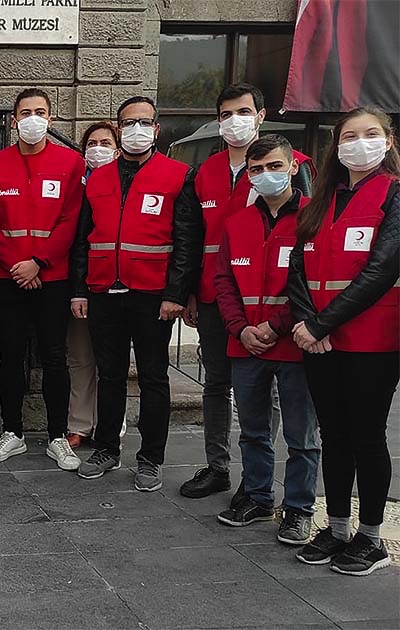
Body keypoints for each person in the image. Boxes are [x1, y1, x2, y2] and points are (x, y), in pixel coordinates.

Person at [181, 83, 315, 500]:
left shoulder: (297, 165)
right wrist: (186, 292)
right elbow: (190, 235)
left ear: (260, 114)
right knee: (216, 384)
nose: (233, 121)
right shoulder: (206, 170)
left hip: (280, 307)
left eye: (242, 111)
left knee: (272, 394)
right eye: (225, 114)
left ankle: (263, 481)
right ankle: (218, 466)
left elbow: (307, 240)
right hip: (219, 297)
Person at [286, 107, 399, 577]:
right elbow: (297, 267)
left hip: (372, 341)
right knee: (332, 435)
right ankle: (335, 527)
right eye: (349, 136)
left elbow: (382, 268)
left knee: (366, 436)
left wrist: (321, 324)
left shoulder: (394, 195)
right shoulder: (321, 199)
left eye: (370, 134)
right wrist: (307, 322)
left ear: (388, 141)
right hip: (320, 342)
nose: (359, 143)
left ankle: (371, 538)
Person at [70, 96, 202, 491]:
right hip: (103, 292)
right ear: (118, 127)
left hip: (152, 295)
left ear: (157, 129)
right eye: (128, 123)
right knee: (109, 375)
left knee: (153, 378)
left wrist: (175, 294)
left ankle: (151, 458)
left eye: (144, 122)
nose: (136, 130)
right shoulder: (98, 177)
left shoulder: (179, 175)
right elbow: (83, 241)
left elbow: (186, 240)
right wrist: (79, 291)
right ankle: (107, 448)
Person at [211, 135, 319, 545]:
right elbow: (224, 281)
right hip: (246, 344)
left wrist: (275, 326)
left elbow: (308, 283)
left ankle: (298, 509)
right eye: (256, 170)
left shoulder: (313, 218)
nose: (265, 175)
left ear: (293, 167)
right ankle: (257, 496)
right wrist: (240, 328)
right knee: (253, 430)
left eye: (274, 166)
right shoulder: (237, 223)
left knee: (301, 434)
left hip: (292, 342)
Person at [0, 88, 86, 472]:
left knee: (55, 357)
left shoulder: (71, 163)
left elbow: (70, 220)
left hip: (52, 277)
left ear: (51, 120)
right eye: (26, 112)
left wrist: (39, 261)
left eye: (40, 111)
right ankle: (13, 433)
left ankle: (58, 435)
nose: (33, 118)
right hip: (10, 279)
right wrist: (17, 266)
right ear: (15, 120)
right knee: (10, 357)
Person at [66, 121, 121, 448]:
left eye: (105, 142)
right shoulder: (77, 184)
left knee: (112, 362)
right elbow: (77, 242)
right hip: (80, 286)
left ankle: (112, 425)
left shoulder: (123, 184)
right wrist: (76, 289)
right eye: (92, 142)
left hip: (116, 287)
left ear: (116, 148)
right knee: (80, 358)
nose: (97, 148)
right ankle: (80, 424)